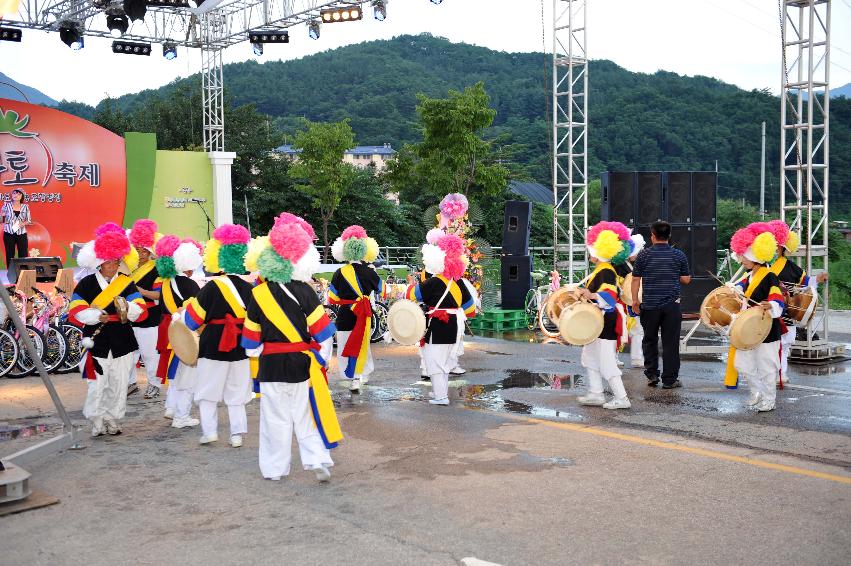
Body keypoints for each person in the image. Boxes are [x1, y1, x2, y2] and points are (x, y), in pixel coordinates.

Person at [241, 215, 340, 482]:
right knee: (305, 415)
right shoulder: (306, 291)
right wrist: (322, 359)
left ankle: (275, 470)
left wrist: (256, 353)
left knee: (275, 419)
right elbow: (323, 332)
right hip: (301, 364)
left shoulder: (257, 294)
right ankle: (316, 459)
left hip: (271, 366)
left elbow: (250, 340)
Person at [69, 224, 148, 437]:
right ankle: (96, 420)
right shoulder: (86, 283)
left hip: (122, 339)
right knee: (96, 384)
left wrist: (126, 308)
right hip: (96, 340)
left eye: (116, 262)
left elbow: (140, 310)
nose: (113, 266)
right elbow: (75, 309)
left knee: (119, 384)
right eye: (108, 263)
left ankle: (112, 419)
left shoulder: (126, 284)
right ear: (100, 263)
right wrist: (95, 316)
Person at [181, 224, 254, 447]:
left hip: (212, 344)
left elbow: (191, 320)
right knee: (238, 392)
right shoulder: (250, 289)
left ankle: (210, 432)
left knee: (207, 390)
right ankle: (237, 435)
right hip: (241, 345)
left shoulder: (210, 288)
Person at [405, 234, 476, 405]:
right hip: (454, 327)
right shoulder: (459, 283)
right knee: (444, 361)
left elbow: (411, 295)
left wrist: (410, 284)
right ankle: (440, 392)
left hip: (437, 325)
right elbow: (471, 309)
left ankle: (441, 397)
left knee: (434, 360)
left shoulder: (434, 281)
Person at [727, 224, 786, 412]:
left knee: (767, 365)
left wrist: (772, 305)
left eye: (744, 256)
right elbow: (738, 289)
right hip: (748, 327)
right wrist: (731, 289)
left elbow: (777, 298)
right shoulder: (749, 276)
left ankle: (769, 399)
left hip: (766, 326)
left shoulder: (769, 277)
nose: (741, 259)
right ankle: (756, 392)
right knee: (742, 363)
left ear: (754, 256)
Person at [576, 221, 632, 409]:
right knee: (590, 356)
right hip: (598, 321)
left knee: (607, 361)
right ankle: (596, 393)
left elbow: (610, 296)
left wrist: (590, 294)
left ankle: (622, 398)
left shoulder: (606, 270)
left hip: (606, 321)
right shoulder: (602, 269)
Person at [767, 220, 828, 384]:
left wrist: (818, 279)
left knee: (784, 346)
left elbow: (806, 282)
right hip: (768, 312)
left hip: (786, 313)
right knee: (771, 346)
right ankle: (773, 374)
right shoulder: (761, 267)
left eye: (775, 245)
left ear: (781, 248)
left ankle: (781, 374)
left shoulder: (791, 267)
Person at [631, 221, 691, 389]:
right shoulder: (678, 255)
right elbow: (686, 279)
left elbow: (635, 279)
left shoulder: (644, 255)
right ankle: (669, 380)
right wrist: (673, 274)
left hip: (649, 305)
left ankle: (652, 374)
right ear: (669, 235)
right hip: (671, 306)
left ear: (653, 235)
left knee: (649, 339)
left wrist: (635, 300)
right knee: (670, 343)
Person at [327, 226, 385, 392]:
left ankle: (351, 376)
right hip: (364, 314)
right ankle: (361, 376)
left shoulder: (339, 272)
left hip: (345, 314)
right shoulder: (370, 271)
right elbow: (381, 289)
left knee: (346, 344)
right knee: (362, 344)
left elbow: (333, 298)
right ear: (363, 252)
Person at [154, 237, 203, 428]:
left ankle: (171, 407)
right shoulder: (191, 285)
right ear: (190, 267)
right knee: (189, 375)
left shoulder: (166, 283)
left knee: (175, 371)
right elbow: (197, 313)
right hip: (185, 332)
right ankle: (181, 416)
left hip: (169, 330)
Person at [127, 219, 163, 399]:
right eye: (137, 249)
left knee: (150, 354)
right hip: (129, 316)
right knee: (129, 353)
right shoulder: (129, 269)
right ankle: (131, 383)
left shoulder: (157, 270)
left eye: (144, 250)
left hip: (150, 316)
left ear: (150, 251)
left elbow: (159, 295)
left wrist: (140, 291)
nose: (140, 253)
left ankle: (154, 384)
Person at [614, 234, 646, 369]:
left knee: (638, 329)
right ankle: (612, 357)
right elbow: (615, 283)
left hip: (632, 301)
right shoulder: (619, 265)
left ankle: (637, 358)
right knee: (618, 330)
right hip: (621, 302)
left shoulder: (635, 264)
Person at [2, 188, 32, 265]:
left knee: (23, 254)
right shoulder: (6, 205)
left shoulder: (25, 207)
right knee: (10, 254)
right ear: (12, 195)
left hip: (21, 233)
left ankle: (23, 273)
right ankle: (11, 273)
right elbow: (1, 220)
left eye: (19, 194)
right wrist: (2, 215)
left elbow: (29, 220)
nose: (16, 195)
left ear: (22, 196)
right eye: (14, 193)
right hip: (8, 233)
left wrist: (23, 223)